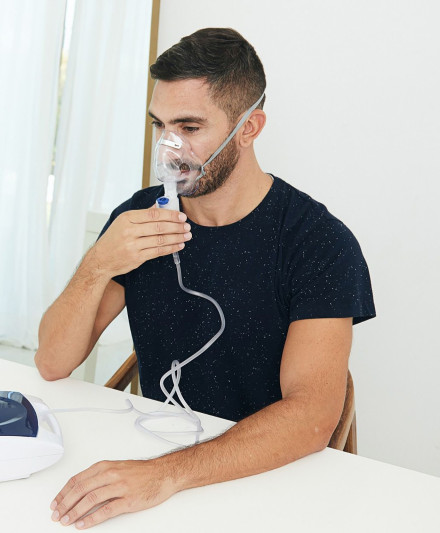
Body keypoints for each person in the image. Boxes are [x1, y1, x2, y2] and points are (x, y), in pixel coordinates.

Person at [34, 27, 375, 529]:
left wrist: (166, 475)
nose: (169, 148)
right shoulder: (140, 220)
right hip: (155, 454)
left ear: (249, 127)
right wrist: (98, 264)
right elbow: (52, 362)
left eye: (189, 127)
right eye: (160, 125)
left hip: (265, 475)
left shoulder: (317, 243)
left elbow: (311, 417)